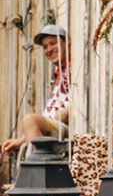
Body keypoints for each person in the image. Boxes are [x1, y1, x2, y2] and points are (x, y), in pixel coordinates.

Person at [2, 24, 70, 153]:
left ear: (67, 42)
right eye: (45, 47)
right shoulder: (59, 74)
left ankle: (39, 167)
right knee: (30, 122)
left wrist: (66, 112)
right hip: (53, 127)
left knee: (30, 119)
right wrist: (21, 140)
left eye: (53, 43)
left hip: (66, 128)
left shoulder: (74, 68)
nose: (49, 49)